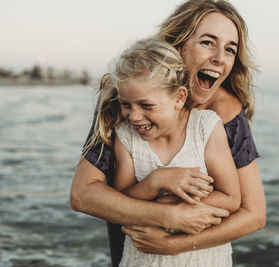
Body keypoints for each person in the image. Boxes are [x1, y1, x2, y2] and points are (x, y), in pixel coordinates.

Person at [70, 0, 266, 266]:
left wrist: (174, 244)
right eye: (207, 42)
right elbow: (83, 194)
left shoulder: (225, 118)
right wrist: (168, 215)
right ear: (179, 42)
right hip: (137, 253)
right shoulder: (129, 103)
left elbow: (253, 213)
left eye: (230, 49)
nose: (219, 58)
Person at [107, 38, 240, 266]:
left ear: (178, 98)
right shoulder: (126, 136)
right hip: (143, 258)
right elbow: (122, 203)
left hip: (202, 258)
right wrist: (156, 181)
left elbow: (231, 198)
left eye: (146, 105)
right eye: (126, 105)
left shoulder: (204, 128)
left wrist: (171, 207)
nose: (133, 116)